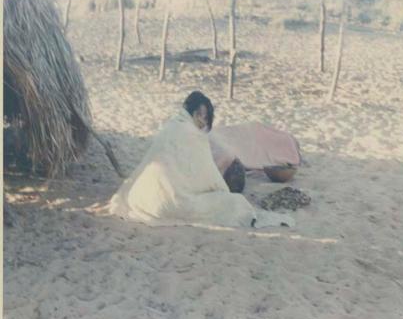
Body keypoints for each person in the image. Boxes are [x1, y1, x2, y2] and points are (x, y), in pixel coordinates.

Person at [109, 91, 293, 228]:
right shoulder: (192, 135)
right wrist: (223, 190)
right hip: (170, 203)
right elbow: (205, 176)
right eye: (202, 116)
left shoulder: (172, 126)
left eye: (205, 117)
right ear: (195, 113)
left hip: (142, 199)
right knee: (235, 203)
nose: (203, 122)